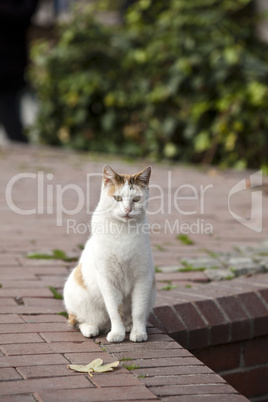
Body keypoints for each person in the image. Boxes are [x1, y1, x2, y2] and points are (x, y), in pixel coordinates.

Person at [0, 0, 38, 143]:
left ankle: (23, 150)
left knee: (11, 120)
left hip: (10, 63)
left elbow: (23, 15)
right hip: (10, 62)